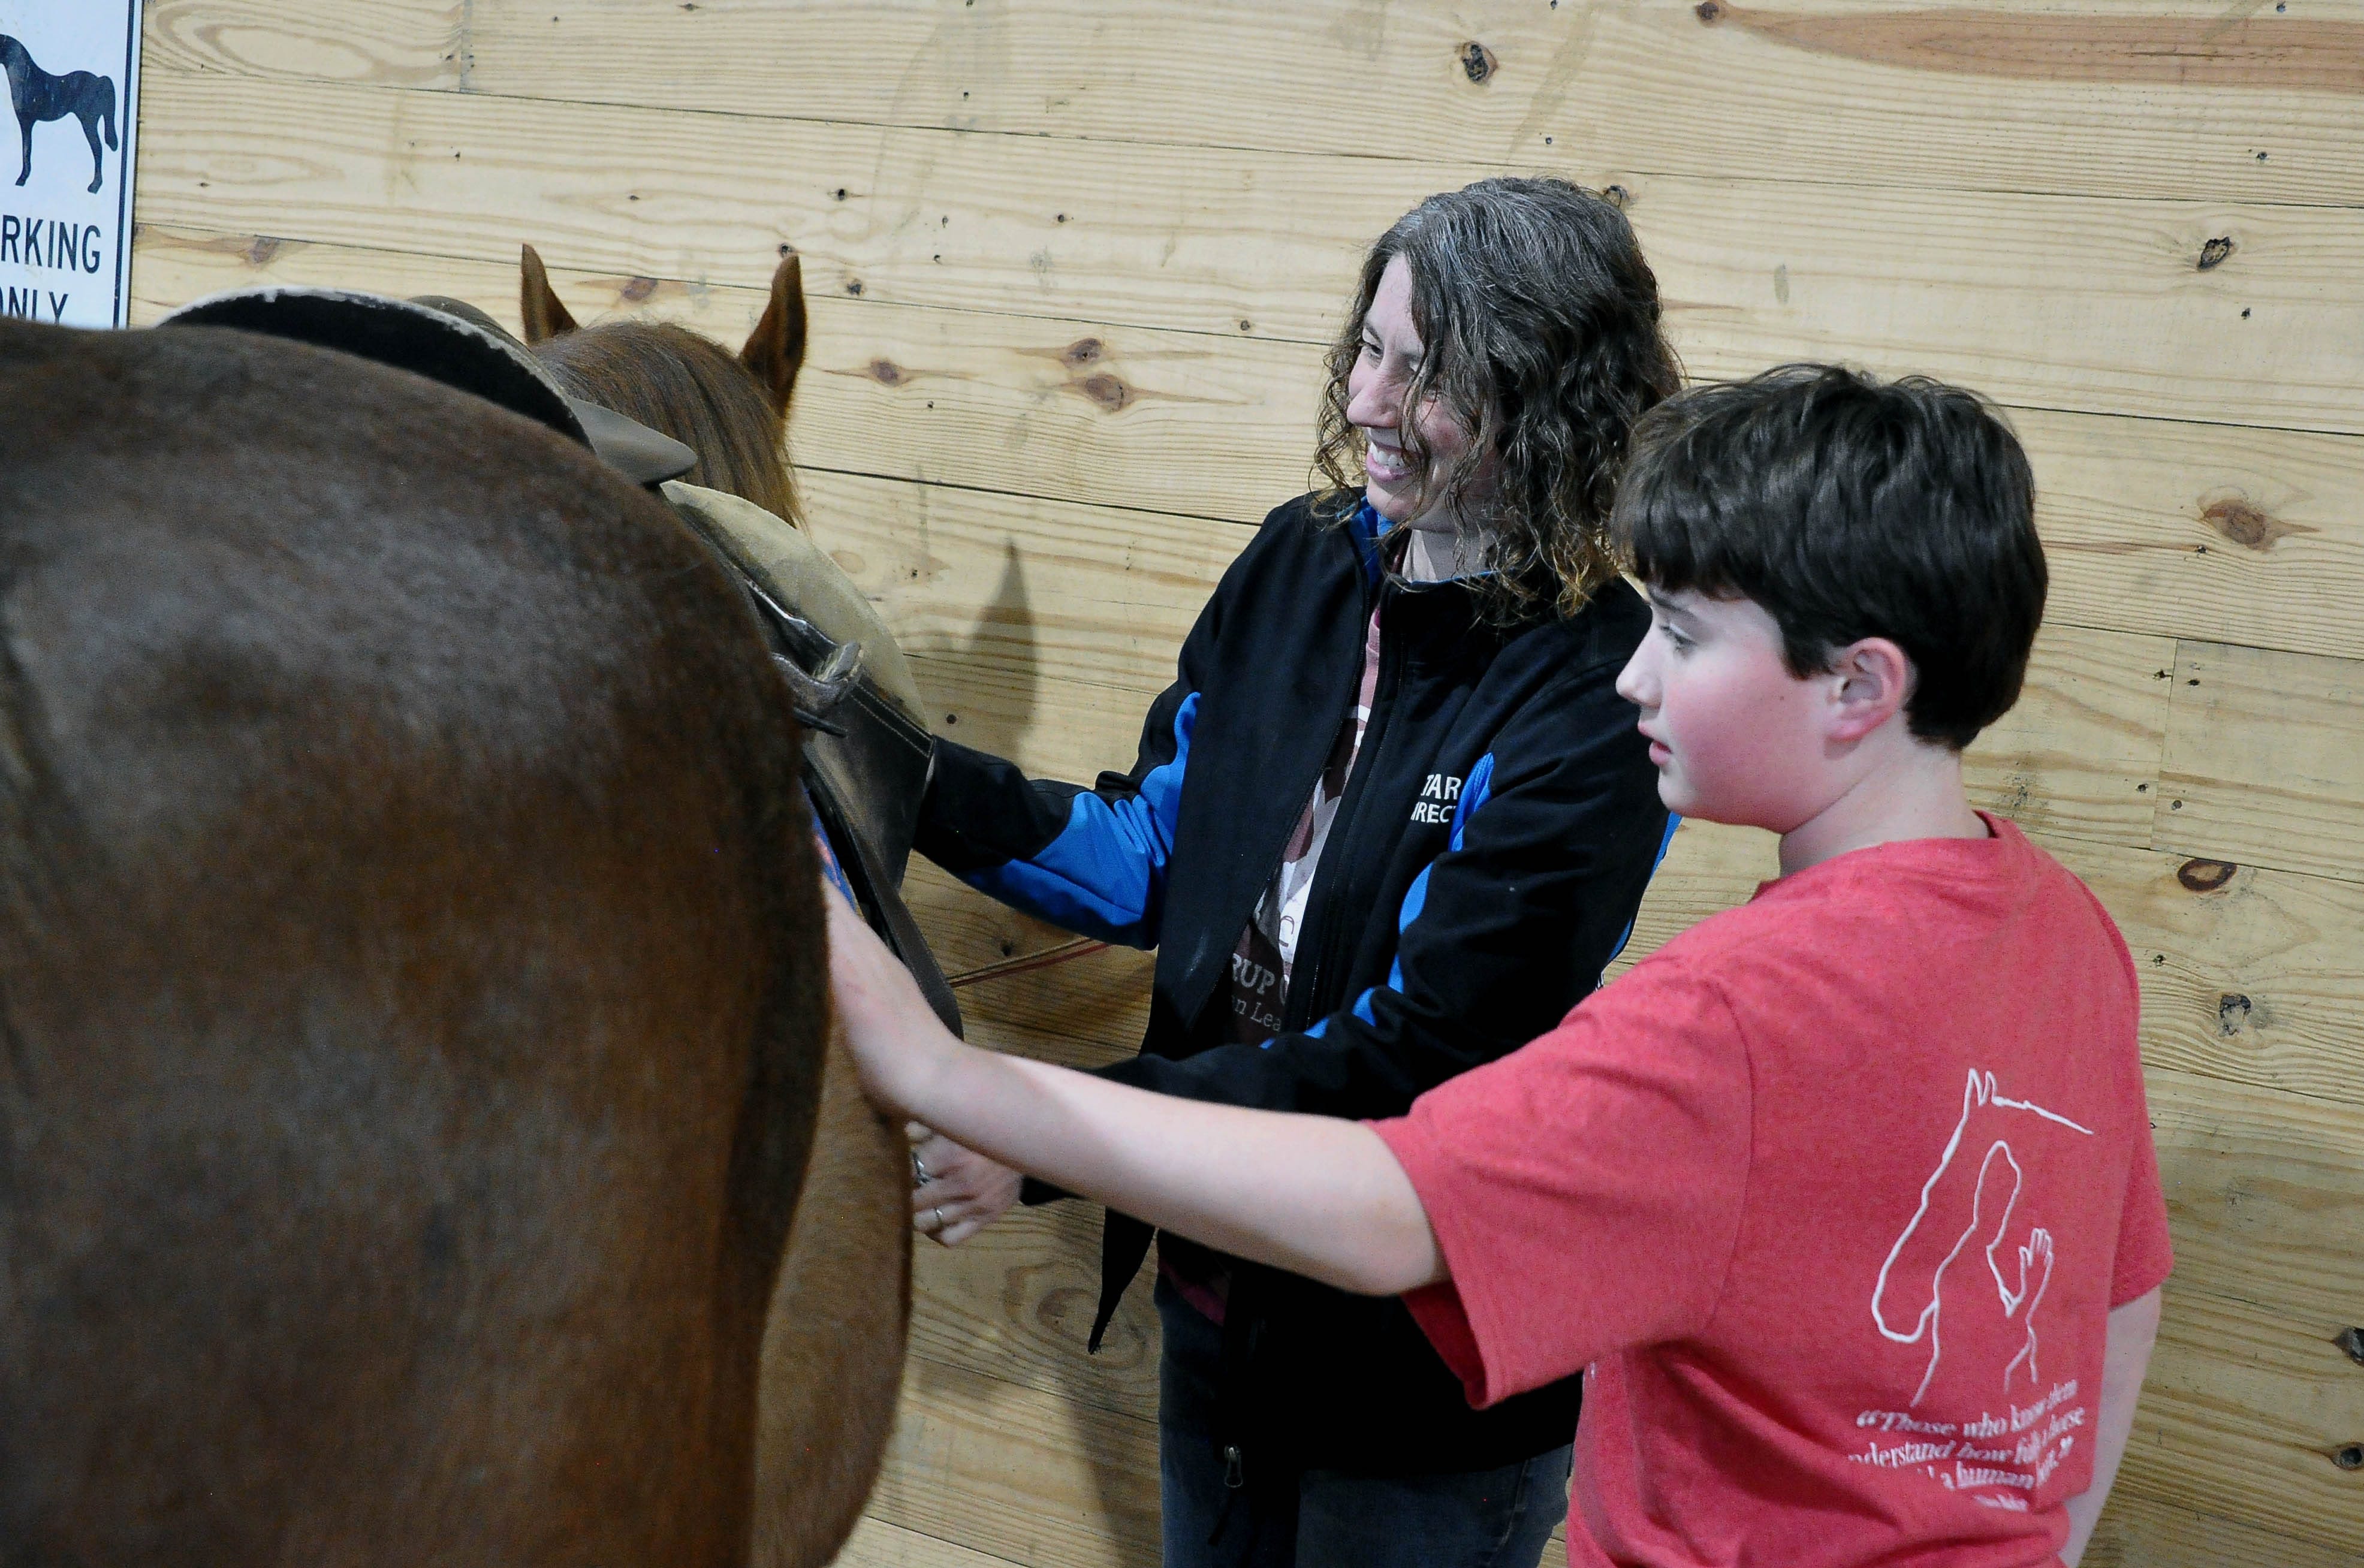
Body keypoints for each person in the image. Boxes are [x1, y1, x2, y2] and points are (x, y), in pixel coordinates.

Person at [831, 364, 2172, 1567]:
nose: (1634, 678)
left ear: (1858, 689)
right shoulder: (2059, 930)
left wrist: (943, 1073)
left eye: (1685, 637)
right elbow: (2117, 1299)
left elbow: (1384, 1211)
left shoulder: (1734, 1016)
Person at [907, 176, 1682, 1566]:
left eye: (1429, 375)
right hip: (1219, 1318)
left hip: (1421, 1388)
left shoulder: (1593, 695)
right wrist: (899, 774)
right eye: (1368, 349)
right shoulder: (1298, 560)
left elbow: (1401, 1062)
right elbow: (1150, 861)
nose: (1372, 400)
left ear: (1545, 406)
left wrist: (1044, 1138)